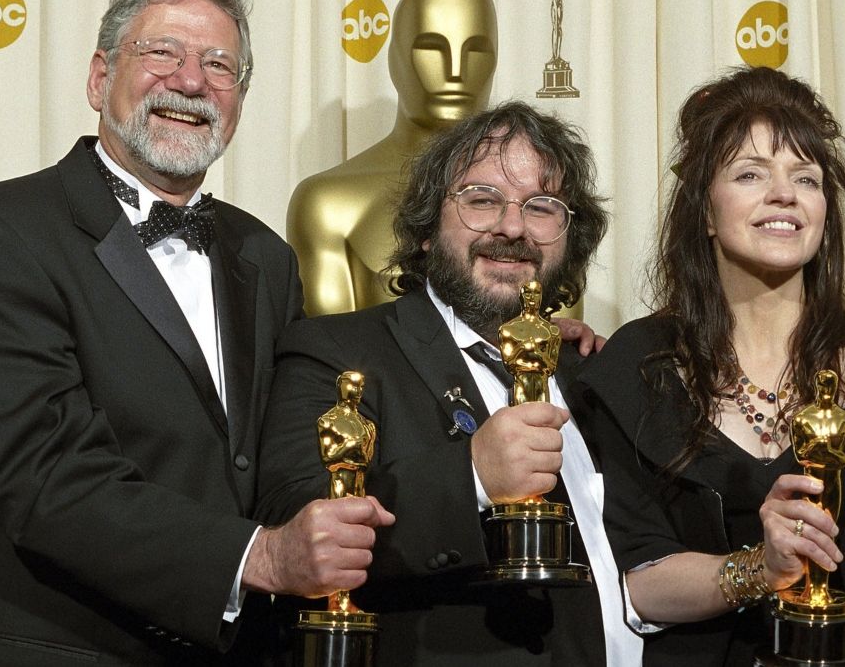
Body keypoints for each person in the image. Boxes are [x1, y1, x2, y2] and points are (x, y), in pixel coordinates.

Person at [0, 0, 393, 663]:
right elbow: (47, 477)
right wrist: (262, 557)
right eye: (162, 52)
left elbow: (300, 427)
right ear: (100, 77)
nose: (191, 81)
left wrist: (512, 347)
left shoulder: (266, 256)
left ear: (240, 99)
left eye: (220, 64)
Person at [573, 66, 845, 666]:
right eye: (749, 174)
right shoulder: (637, 368)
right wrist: (758, 570)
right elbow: (635, 578)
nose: (784, 194)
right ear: (706, 213)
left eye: (806, 178)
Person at [254, 101, 629, 664]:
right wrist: (472, 475)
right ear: (428, 228)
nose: (512, 226)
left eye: (542, 207)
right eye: (481, 200)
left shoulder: (592, 373)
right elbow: (294, 520)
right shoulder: (335, 352)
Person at [288, 0, 498, 316]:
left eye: (476, 50)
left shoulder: (540, 202)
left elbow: (557, 348)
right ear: (394, 60)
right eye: (431, 48)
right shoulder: (327, 203)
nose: (455, 71)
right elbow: (333, 354)